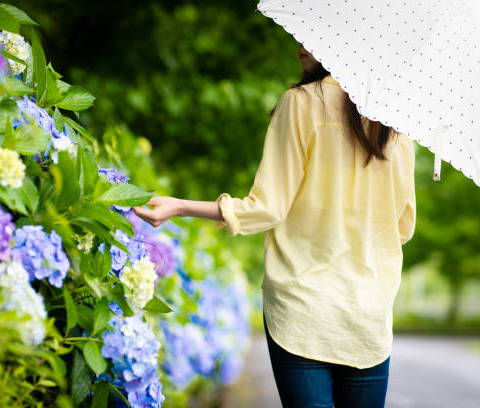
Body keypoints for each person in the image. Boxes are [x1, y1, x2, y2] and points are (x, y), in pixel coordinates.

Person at [133, 42, 416, 408]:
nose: (301, 44)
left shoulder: (301, 103)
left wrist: (180, 206)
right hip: (367, 313)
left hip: (303, 307)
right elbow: (403, 227)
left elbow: (266, 209)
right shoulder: (397, 125)